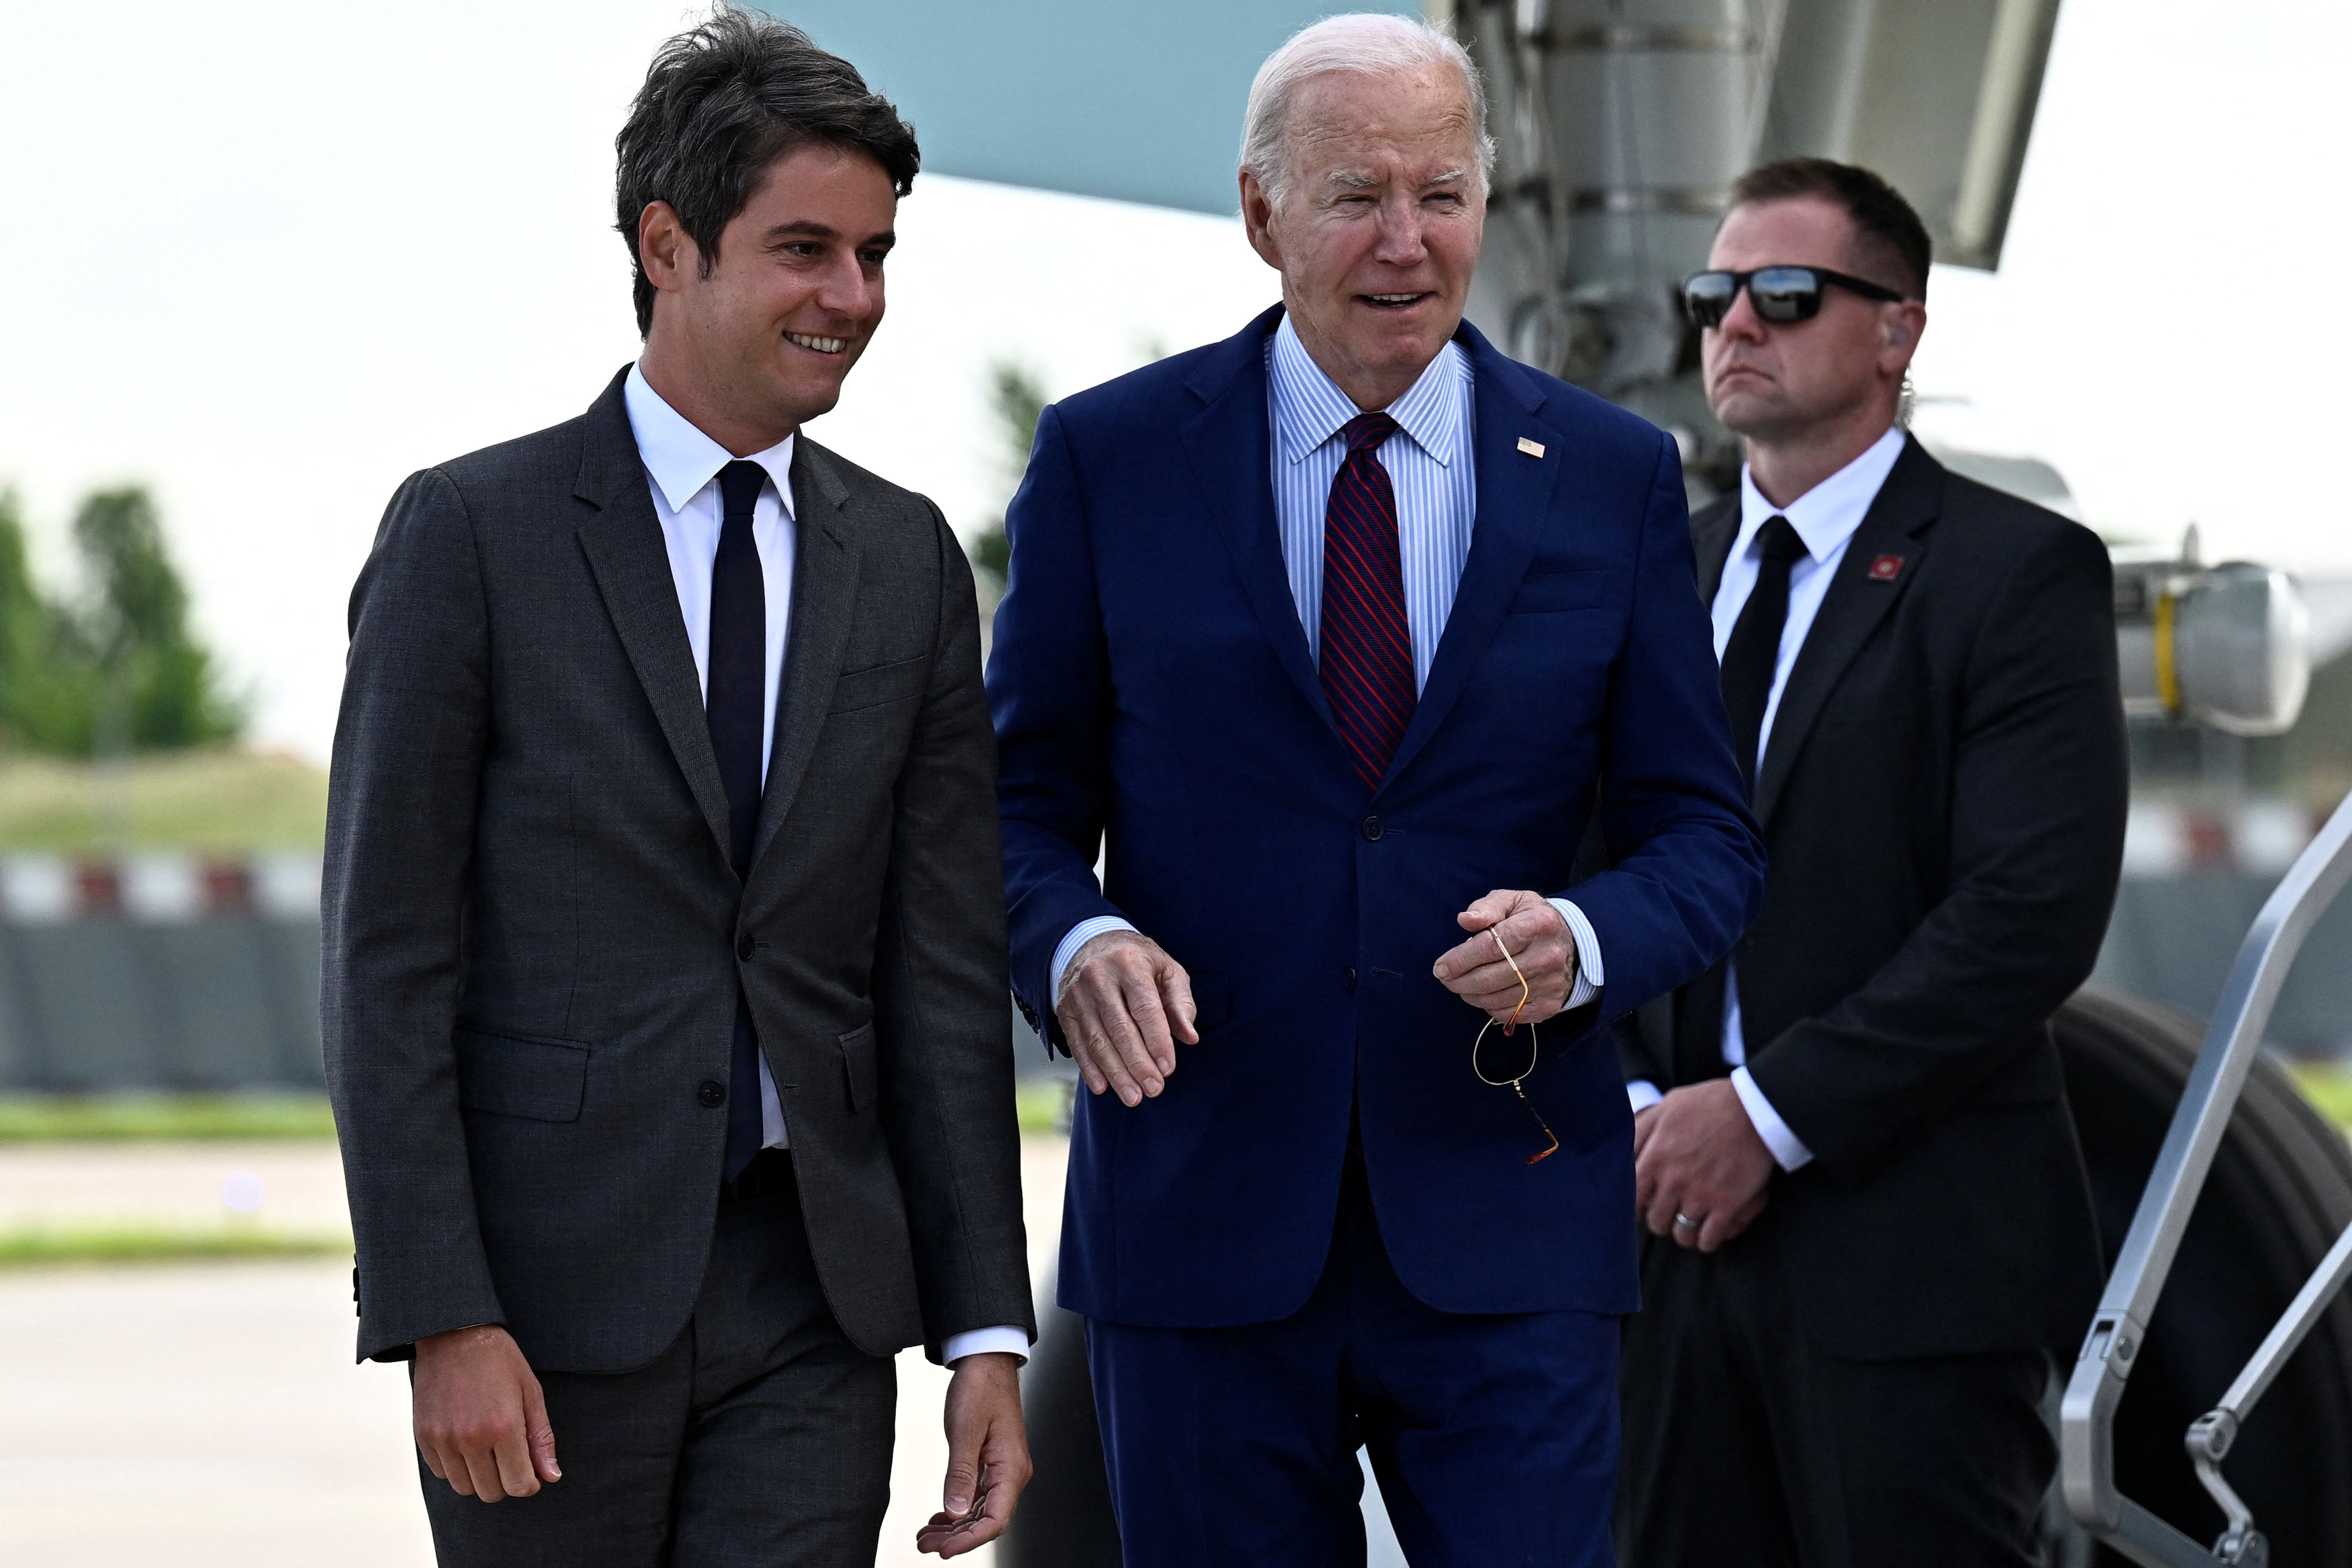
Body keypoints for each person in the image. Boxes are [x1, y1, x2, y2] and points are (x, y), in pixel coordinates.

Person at [989, 14, 1765, 1565]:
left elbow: (1705, 837)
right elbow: (1004, 809)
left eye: (1444, 194)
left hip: (1512, 1222)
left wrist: (1589, 940)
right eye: (1356, 196)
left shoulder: (1610, 477)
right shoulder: (1108, 462)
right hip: (1202, 1224)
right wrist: (1076, 945)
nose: (1407, 242)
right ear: (1262, 211)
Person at [321, 13, 1034, 1564]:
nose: (852, 297)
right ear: (669, 245)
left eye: (875, 254)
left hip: (819, 1297)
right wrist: (442, 1312)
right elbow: (387, 961)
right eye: (804, 250)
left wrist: (987, 1328)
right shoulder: (470, 539)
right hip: (545, 1309)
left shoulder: (908, 561)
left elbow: (943, 971)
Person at [1613, 158, 2126, 1567]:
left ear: (1898, 331)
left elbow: (2028, 911)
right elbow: (1579, 870)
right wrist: (1646, 1108)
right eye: (1714, 295)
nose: (1735, 326)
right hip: (1655, 1252)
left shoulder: (2015, 575)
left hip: (1911, 1270)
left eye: (1785, 294)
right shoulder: (1654, 574)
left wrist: (1763, 1115)